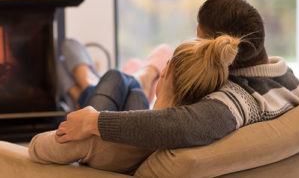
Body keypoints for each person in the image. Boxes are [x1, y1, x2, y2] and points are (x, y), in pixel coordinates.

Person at [54, 0, 299, 149]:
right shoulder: (288, 78)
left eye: (199, 41)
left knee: (114, 77)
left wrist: (94, 121)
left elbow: (184, 125)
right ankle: (89, 86)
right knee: (120, 80)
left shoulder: (237, 99)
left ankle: (91, 85)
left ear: (219, 48)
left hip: (117, 152)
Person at [29, 35, 241, 174]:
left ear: (166, 72)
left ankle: (87, 87)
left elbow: (37, 147)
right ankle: (93, 87)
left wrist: (88, 120)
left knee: (104, 72)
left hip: (107, 146)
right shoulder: (186, 133)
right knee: (133, 88)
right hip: (137, 129)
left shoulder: (92, 141)